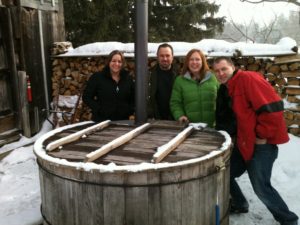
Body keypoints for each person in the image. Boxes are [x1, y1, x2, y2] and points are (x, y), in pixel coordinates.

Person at [213, 56, 298, 225]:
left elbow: (273, 108)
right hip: (245, 143)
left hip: (262, 145)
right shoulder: (230, 86)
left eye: (224, 69)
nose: (221, 73)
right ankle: (240, 203)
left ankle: (289, 220)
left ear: (233, 67)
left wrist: (262, 135)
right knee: (225, 172)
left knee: (261, 187)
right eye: (217, 71)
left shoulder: (248, 79)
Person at [170, 49, 219, 127]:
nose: (194, 62)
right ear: (187, 62)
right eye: (191, 59)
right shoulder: (180, 80)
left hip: (213, 127)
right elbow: (175, 103)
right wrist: (180, 115)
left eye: (197, 59)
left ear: (202, 61)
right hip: (190, 127)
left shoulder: (213, 78)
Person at [82, 50, 135, 122]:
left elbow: (133, 98)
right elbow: (86, 97)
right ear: (109, 62)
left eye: (119, 61)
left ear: (122, 64)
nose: (116, 64)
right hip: (102, 120)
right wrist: (98, 109)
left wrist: (130, 111)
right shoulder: (97, 77)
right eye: (113, 61)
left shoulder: (128, 79)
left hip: (123, 121)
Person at [148, 43, 178, 120]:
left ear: (172, 57)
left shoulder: (180, 75)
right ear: (157, 57)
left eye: (167, 55)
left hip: (175, 119)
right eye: (162, 56)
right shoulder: (148, 75)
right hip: (154, 120)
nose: (165, 58)